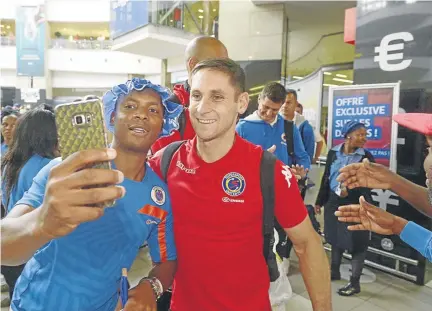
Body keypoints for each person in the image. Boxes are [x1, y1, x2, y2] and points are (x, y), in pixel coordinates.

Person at [149, 59, 331, 311]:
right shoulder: (166, 162)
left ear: (242, 103)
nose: (202, 108)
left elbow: (308, 243)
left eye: (217, 97)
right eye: (197, 95)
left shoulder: (268, 170)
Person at [1, 79, 177, 311]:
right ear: (112, 117)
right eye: (130, 106)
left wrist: (150, 286)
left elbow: (166, 260)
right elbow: (4, 245)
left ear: (162, 123)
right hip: (34, 304)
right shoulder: (64, 171)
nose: (142, 115)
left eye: (153, 110)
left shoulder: (158, 196)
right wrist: (41, 222)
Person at [336, 113, 432, 262]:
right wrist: (396, 224)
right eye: (428, 148)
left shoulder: (365, 156)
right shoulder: (335, 153)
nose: (427, 161)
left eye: (430, 147)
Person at [236, 82, 311, 273]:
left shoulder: (288, 127)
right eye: (266, 108)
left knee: (281, 242)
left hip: (282, 195)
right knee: (253, 242)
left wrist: (302, 171)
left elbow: (302, 157)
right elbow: (232, 166)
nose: (269, 114)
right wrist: (257, 163)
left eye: (275, 110)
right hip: (252, 198)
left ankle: (280, 270)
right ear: (259, 100)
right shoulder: (242, 128)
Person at [1, 108, 59, 302]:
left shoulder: (9, 163)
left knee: (17, 295)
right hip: (33, 252)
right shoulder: (47, 166)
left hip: (12, 246)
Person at [315, 121, 375, 296]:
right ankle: (334, 272)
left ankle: (354, 283)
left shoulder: (366, 157)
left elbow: (369, 185)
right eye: (360, 134)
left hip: (356, 204)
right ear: (348, 135)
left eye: (365, 134)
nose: (364, 138)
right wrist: (320, 200)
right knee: (334, 237)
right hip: (333, 202)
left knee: (358, 243)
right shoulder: (334, 152)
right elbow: (327, 177)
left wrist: (349, 191)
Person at [150, 36, 228, 154]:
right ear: (193, 64)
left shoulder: (227, 102)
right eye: (218, 64)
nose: (225, 71)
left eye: (227, 65)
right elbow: (164, 165)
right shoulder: (169, 111)